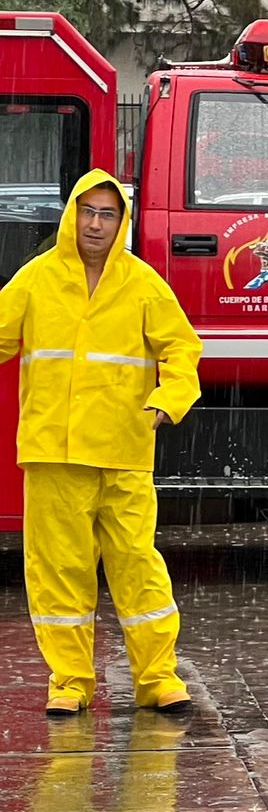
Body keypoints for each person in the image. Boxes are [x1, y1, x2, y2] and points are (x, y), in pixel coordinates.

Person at [0, 170, 203, 716]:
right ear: (71, 215)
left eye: (106, 214)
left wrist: (169, 399)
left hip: (123, 449)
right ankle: (69, 682)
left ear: (122, 223)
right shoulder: (36, 279)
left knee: (137, 564)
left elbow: (183, 350)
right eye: (87, 211)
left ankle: (157, 678)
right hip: (53, 452)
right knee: (57, 570)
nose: (95, 222)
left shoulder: (142, 284)